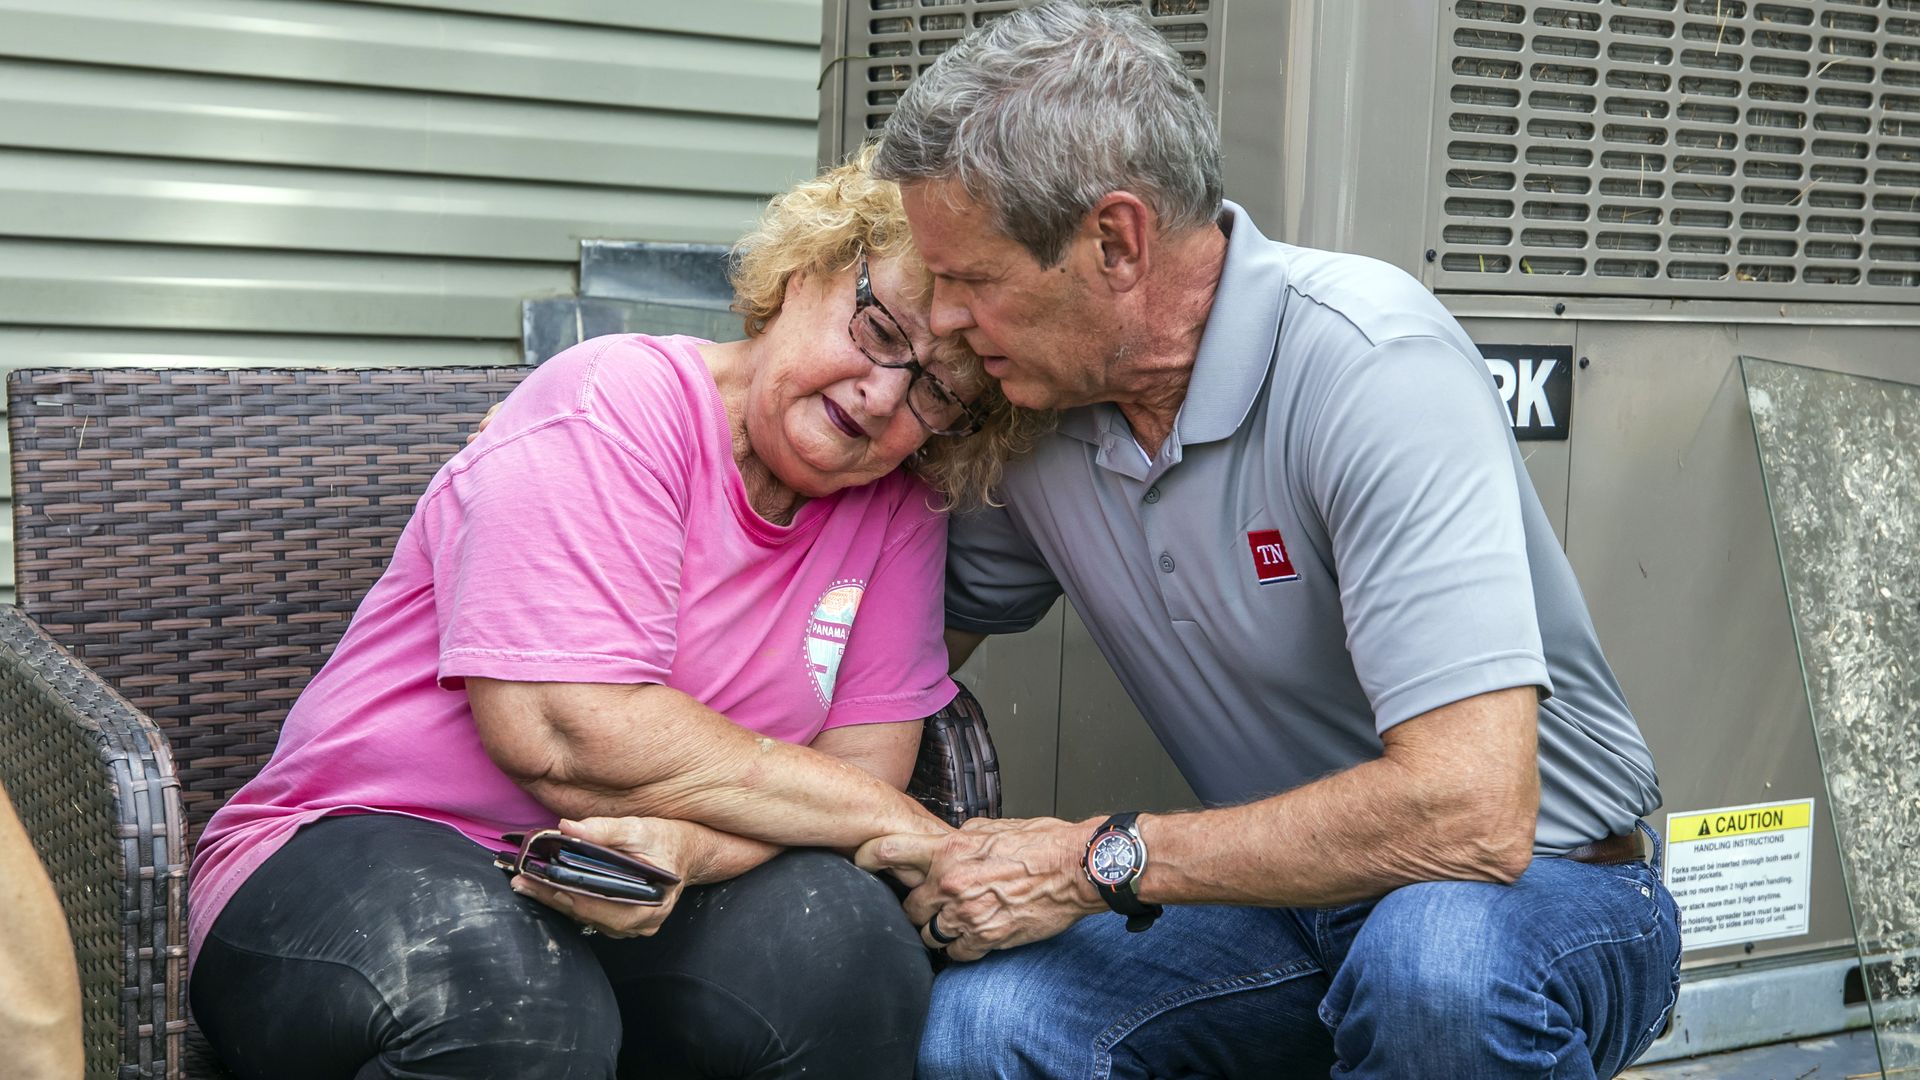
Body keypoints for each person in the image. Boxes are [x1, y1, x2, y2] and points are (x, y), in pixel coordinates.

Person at [852, 4, 1682, 1079]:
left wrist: (1094, 858)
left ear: (1115, 242)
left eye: (973, 281)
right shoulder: (1039, 423)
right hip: (1288, 905)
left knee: (1434, 972)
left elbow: (1473, 815)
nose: (945, 322)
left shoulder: (1369, 363)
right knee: (984, 1024)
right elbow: (876, 653)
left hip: (1547, 890)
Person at [186, 148, 1044, 1080]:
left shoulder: (895, 507)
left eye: (938, 391)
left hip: (636, 882)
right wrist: (898, 822)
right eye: (878, 329)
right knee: (514, 1009)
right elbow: (566, 730)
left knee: (855, 957)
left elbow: (851, 783)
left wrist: (689, 845)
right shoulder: (613, 403)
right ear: (805, 272)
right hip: (363, 846)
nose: (884, 394)